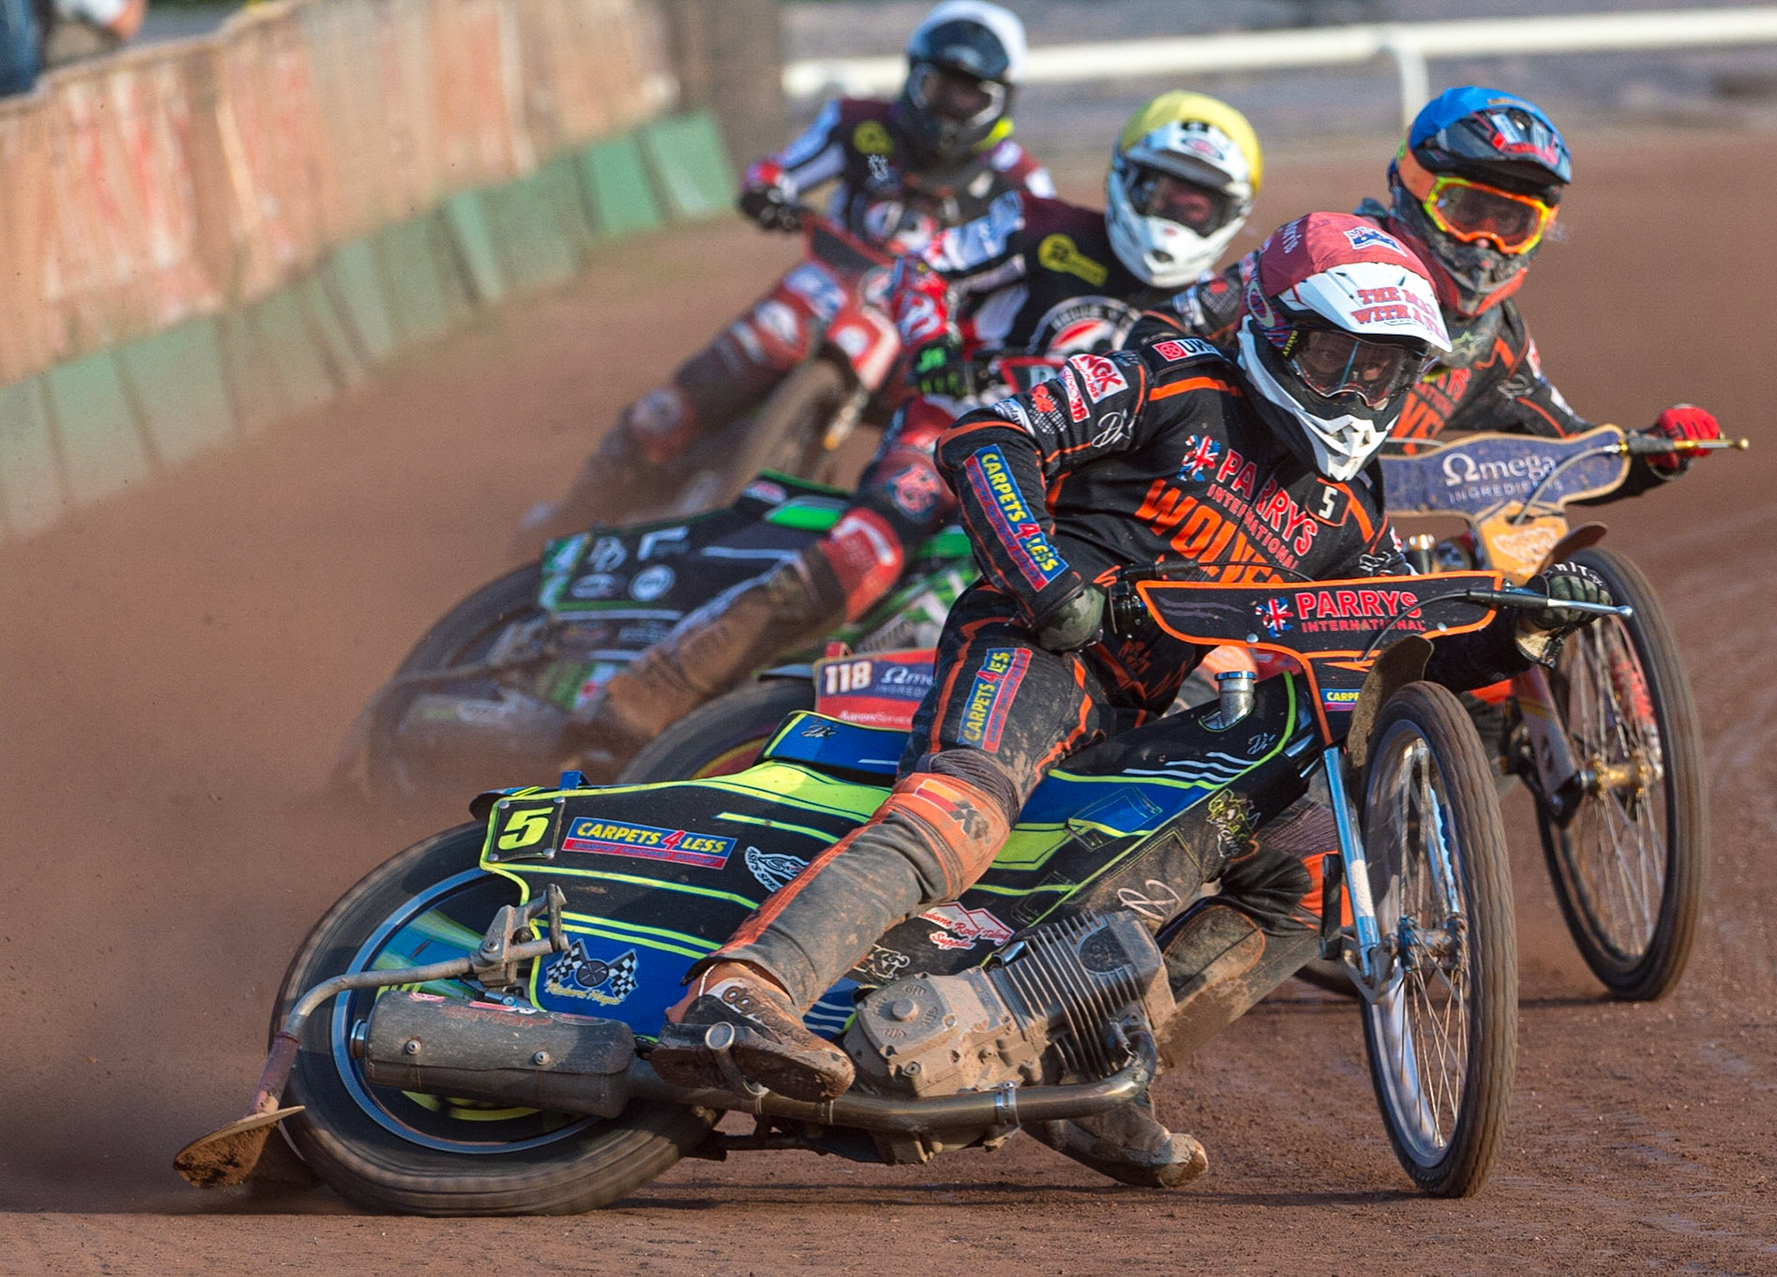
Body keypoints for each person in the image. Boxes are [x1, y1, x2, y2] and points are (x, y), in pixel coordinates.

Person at [647, 212, 1613, 1186]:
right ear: (1275, 330)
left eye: (1386, 371)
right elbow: (988, 434)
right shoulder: (1171, 379)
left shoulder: (1352, 511)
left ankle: (1082, 1065)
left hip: (1152, 716)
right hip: (1032, 644)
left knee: (1303, 885)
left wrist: (1522, 633)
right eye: (1337, 358)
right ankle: (743, 986)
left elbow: (1402, 640)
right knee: (961, 807)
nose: (1360, 394)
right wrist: (1045, 579)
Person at [578, 90, 1262, 756]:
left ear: (1231, 214)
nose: (1173, 215)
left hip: (1086, 490)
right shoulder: (1038, 225)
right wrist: (932, 340)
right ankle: (644, 695)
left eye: (1195, 204)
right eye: (1162, 190)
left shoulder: (1222, 315)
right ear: (1124, 177)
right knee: (863, 551)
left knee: (1167, 624)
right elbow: (922, 266)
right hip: (957, 427)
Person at [519, 1, 1051, 547]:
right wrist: (768, 193)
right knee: (666, 412)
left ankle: (872, 552)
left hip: (926, 340)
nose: (948, 110)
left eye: (968, 97)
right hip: (823, 293)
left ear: (1001, 101)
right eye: (938, 88)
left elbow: (1044, 281)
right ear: (912, 78)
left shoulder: (1021, 185)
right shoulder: (862, 129)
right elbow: (779, 170)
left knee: (943, 461)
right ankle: (570, 517)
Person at [1138, 87, 1723, 485]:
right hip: (1214, 496)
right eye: (1466, 211)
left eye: (1511, 223)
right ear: (1412, 190)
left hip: (1356, 548)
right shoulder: (1320, 256)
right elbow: (1165, 328)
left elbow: (1565, 450)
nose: (1484, 243)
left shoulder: (1495, 340)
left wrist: (1654, 450)